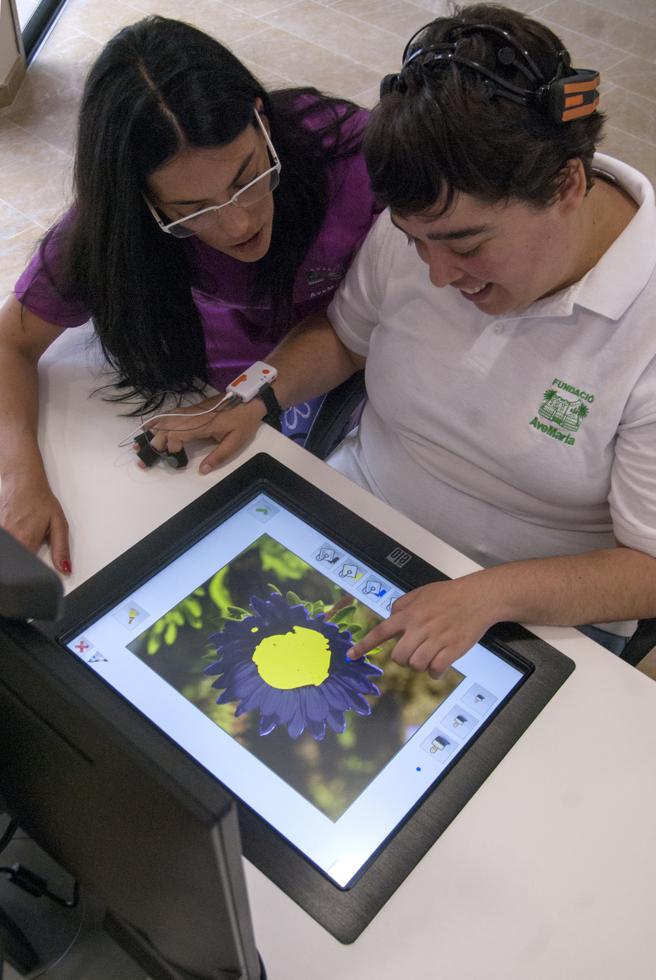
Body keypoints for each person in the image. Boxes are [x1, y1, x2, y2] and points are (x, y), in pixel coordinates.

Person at [151, 4, 656, 671]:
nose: (438, 275)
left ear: (567, 186)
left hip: (533, 612)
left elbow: (647, 565)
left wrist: (489, 594)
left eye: (466, 246)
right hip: (357, 515)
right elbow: (345, 336)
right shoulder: (429, 218)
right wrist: (253, 396)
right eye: (414, 241)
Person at [0, 15, 377, 574]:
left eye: (247, 178)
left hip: (338, 384)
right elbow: (11, 340)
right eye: (191, 210)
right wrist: (20, 478)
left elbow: (366, 327)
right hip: (212, 397)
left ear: (261, 119)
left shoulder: (352, 160)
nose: (238, 224)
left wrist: (246, 398)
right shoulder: (111, 226)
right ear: (140, 201)